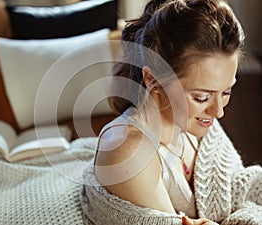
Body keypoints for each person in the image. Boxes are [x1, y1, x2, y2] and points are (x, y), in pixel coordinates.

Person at [80, 0, 262, 224]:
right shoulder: (130, 153)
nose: (218, 112)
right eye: (201, 97)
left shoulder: (197, 119)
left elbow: (244, 190)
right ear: (152, 79)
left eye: (226, 91)